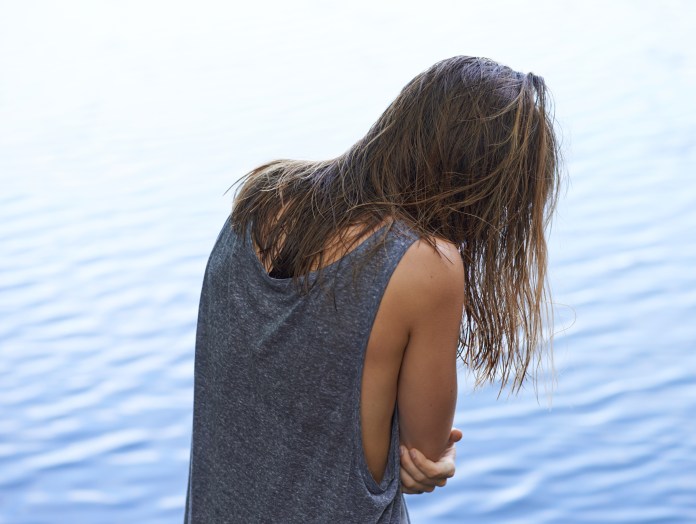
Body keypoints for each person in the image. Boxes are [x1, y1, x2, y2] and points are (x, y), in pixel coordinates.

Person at [183, 55, 563, 523]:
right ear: (481, 183)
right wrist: (436, 462)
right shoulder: (427, 264)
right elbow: (424, 450)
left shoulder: (262, 196)